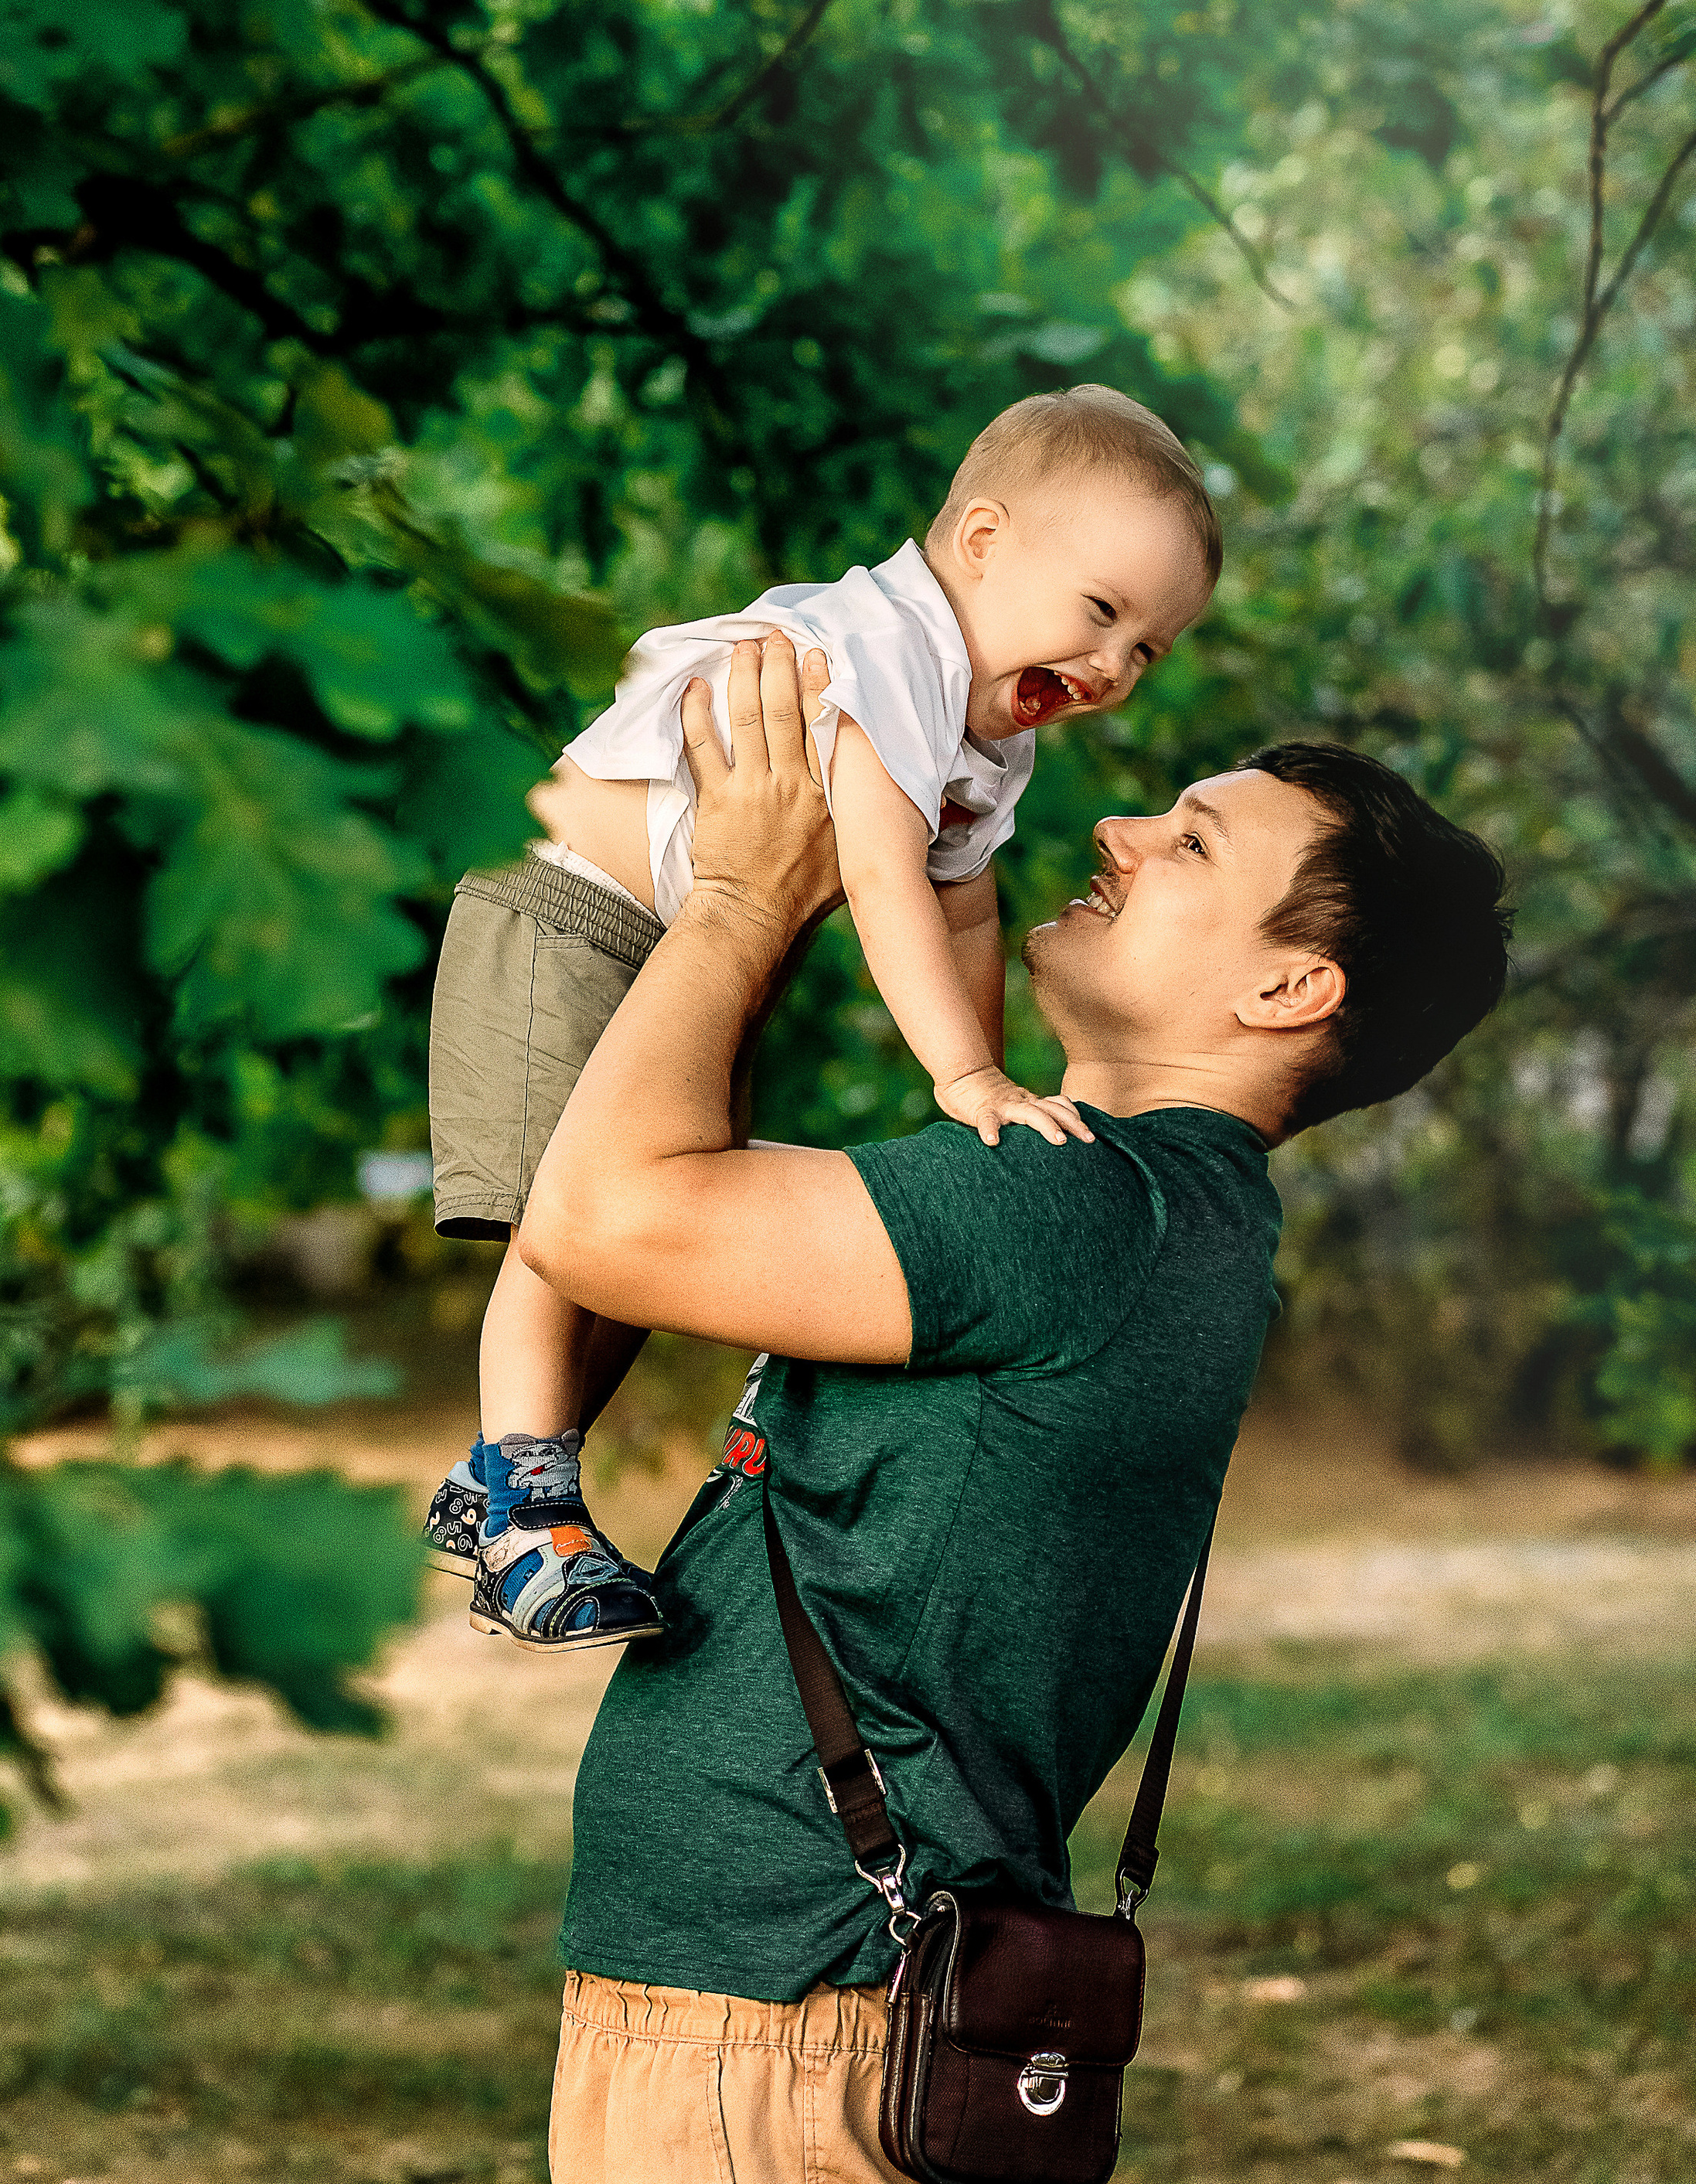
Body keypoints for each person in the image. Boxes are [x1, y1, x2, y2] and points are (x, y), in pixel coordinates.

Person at [519, 632, 1513, 2183]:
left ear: (1286, 985)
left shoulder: (1073, 1210)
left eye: (1189, 842)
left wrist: (739, 892)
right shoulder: (1172, 1219)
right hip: (805, 2010)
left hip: (784, 2023)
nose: (1114, 832)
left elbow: (598, 1223)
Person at [421, 387, 1221, 1648]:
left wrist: (979, 1092)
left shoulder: (982, 733)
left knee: (648, 1239)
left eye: (1150, 649)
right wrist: (959, 1073)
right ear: (984, 544)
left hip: (681, 961)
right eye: (1103, 612)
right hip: (564, 919)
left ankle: (506, 1468)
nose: (1116, 666)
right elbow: (889, 876)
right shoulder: (883, 653)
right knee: (565, 1220)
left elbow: (961, 908)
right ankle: (524, 1508)